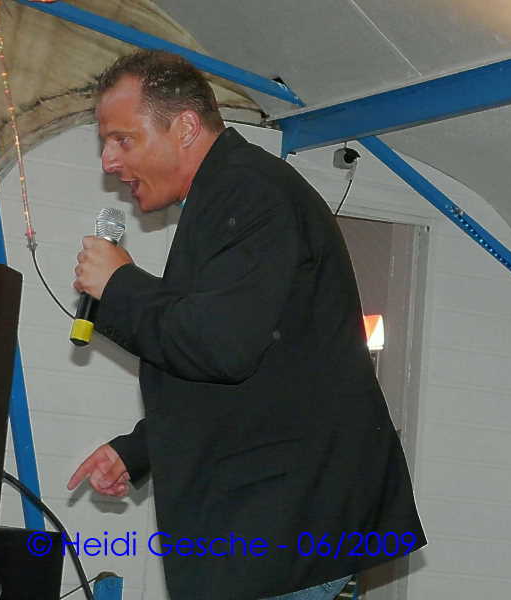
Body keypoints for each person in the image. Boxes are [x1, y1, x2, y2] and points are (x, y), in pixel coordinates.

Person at [68, 50, 426, 600]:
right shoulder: (228, 195)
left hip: (284, 527)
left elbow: (221, 347)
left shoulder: (249, 192)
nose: (109, 162)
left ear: (185, 127)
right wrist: (140, 449)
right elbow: (253, 371)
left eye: (122, 139)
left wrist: (119, 285)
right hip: (276, 526)